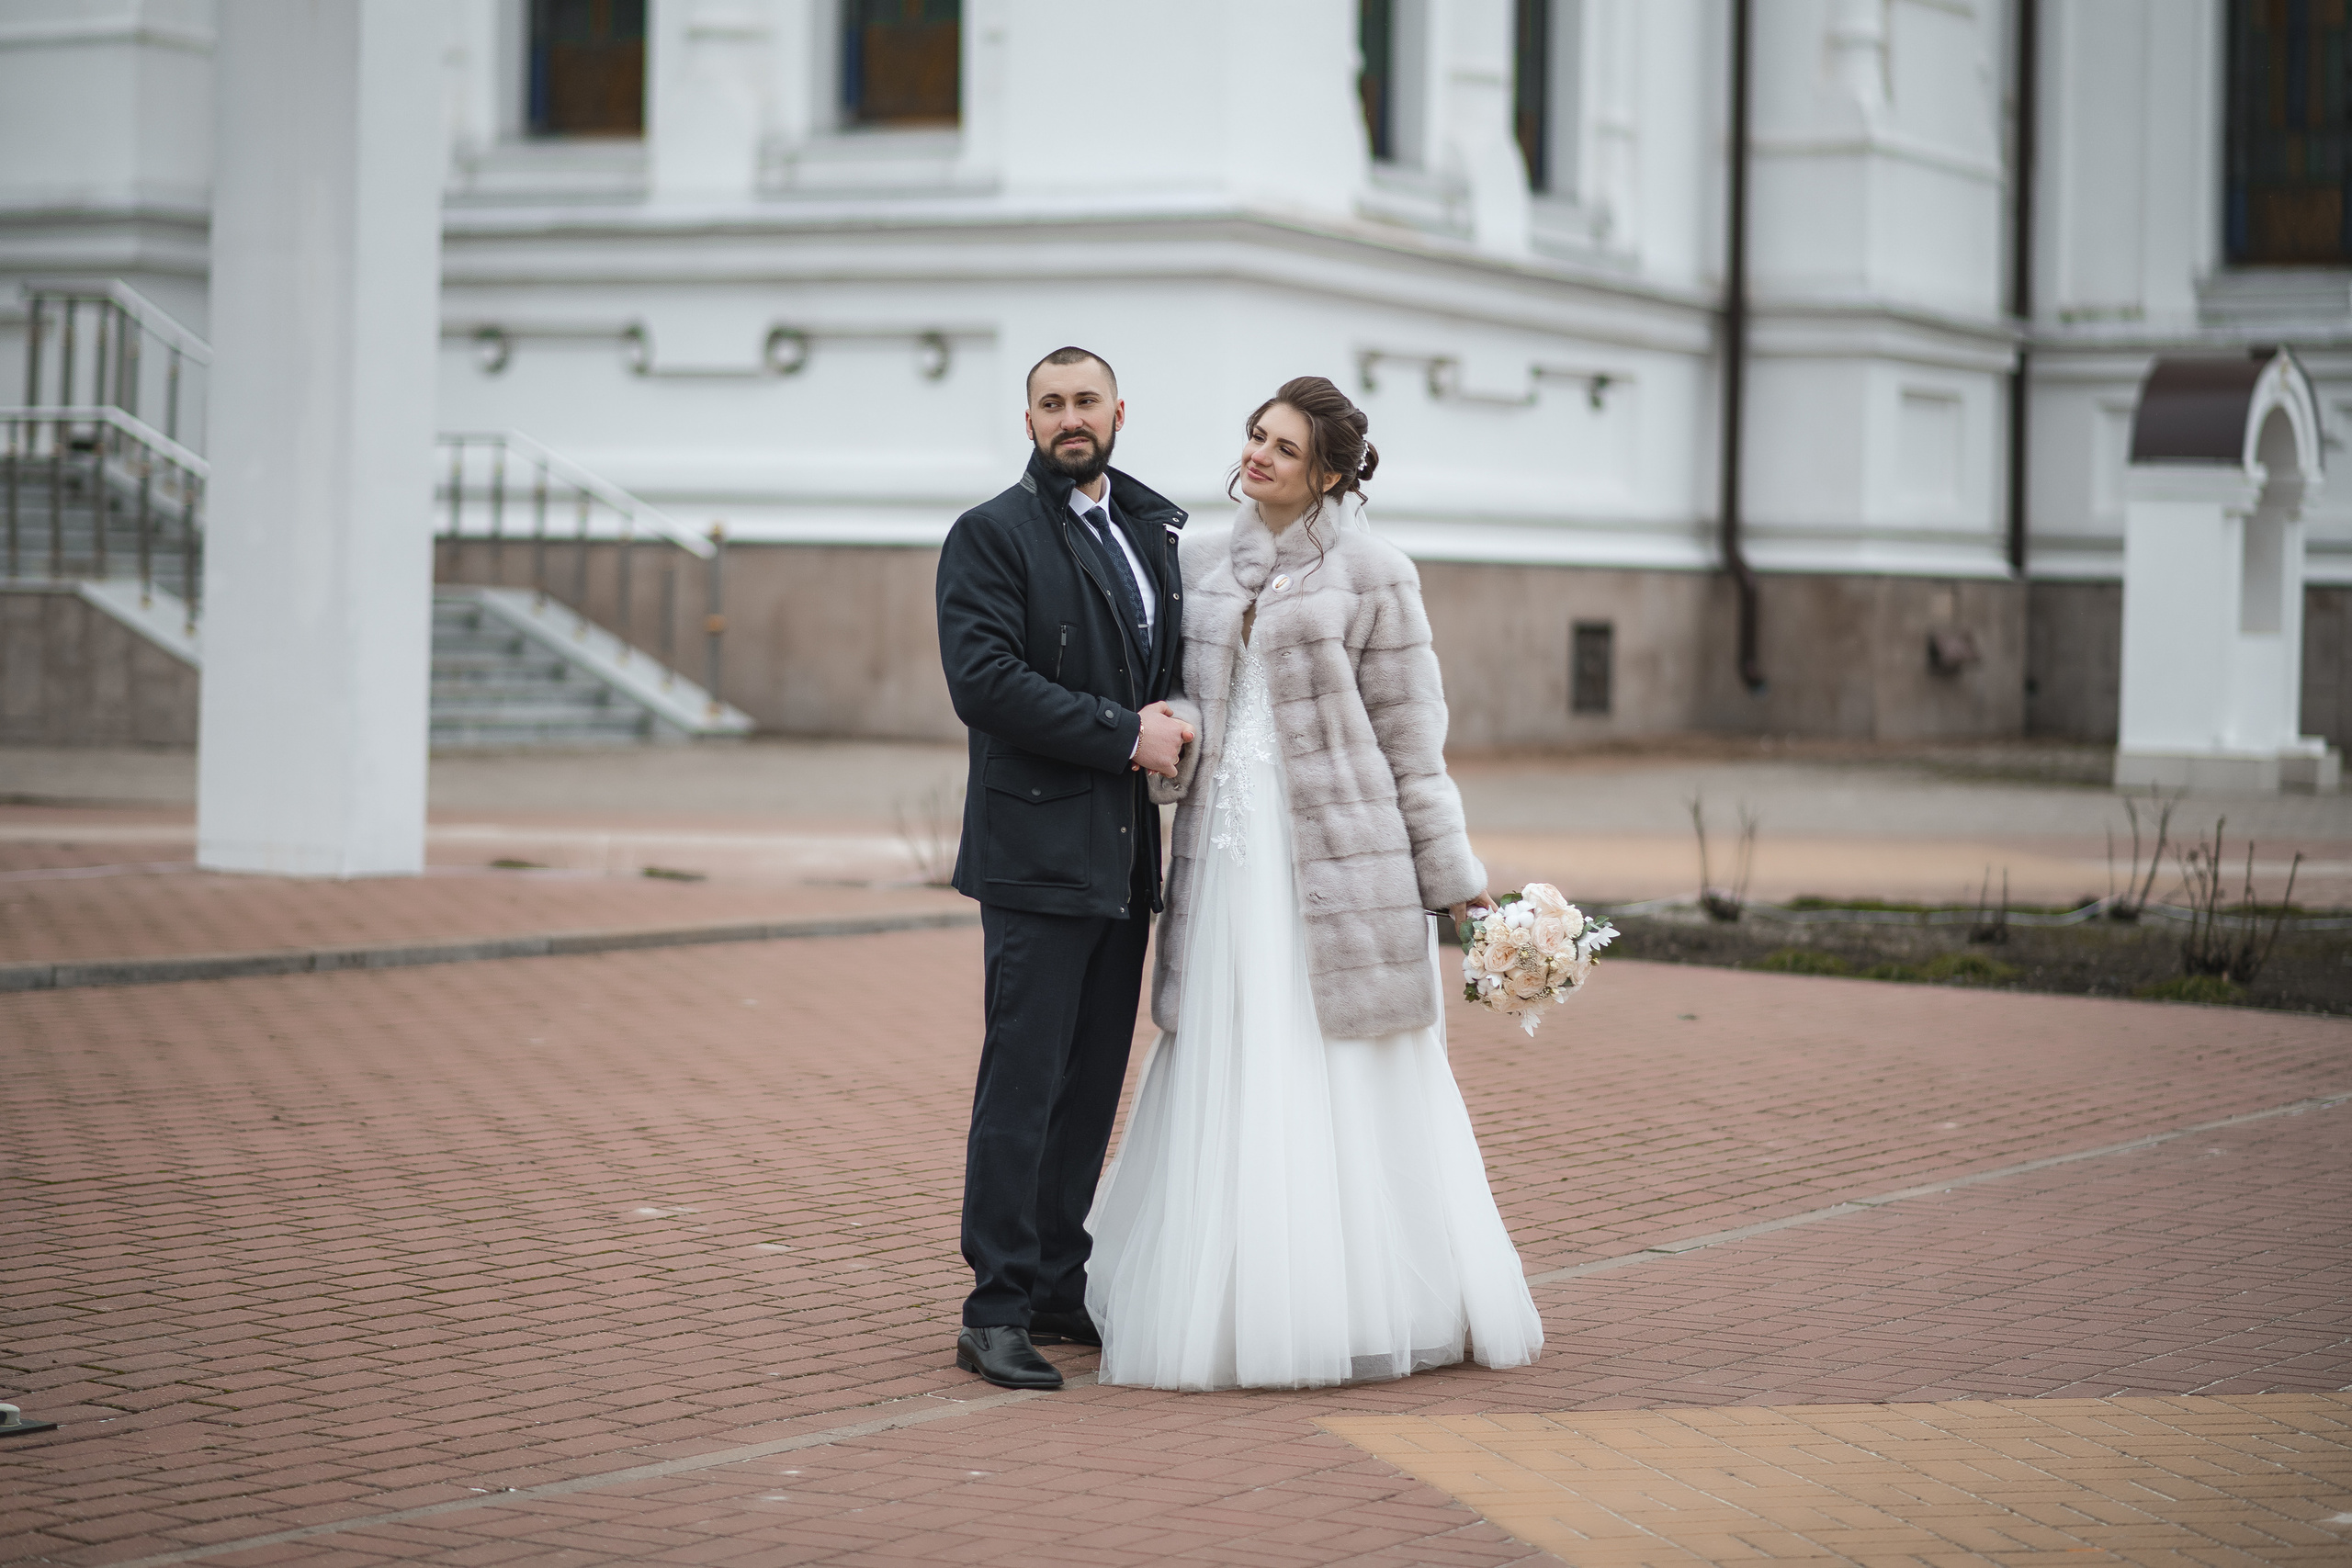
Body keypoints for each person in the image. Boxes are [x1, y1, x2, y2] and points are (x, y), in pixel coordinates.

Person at [1084, 376, 1544, 1390]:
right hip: (1226, 852)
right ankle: (1223, 1290)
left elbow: (1411, 748)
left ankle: (1373, 1294)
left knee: (1343, 1056)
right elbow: (1167, 693)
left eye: (1283, 449)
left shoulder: (1377, 573)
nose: (1257, 457)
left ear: (1328, 472)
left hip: (1341, 857)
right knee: (1228, 1048)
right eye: (1254, 437)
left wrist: (1459, 889)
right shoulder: (1199, 561)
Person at [934, 346, 1194, 1391]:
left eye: (1086, 401)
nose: (1069, 419)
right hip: (1035, 854)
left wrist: (1175, 713)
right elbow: (985, 682)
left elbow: (1158, 670)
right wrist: (1124, 734)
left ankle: (1053, 1283)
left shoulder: (1145, 529)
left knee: (1088, 1087)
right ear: (1029, 417)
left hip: (1124, 856)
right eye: (1051, 404)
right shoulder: (990, 536)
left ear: (1119, 411)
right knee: (1024, 1083)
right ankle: (992, 1305)